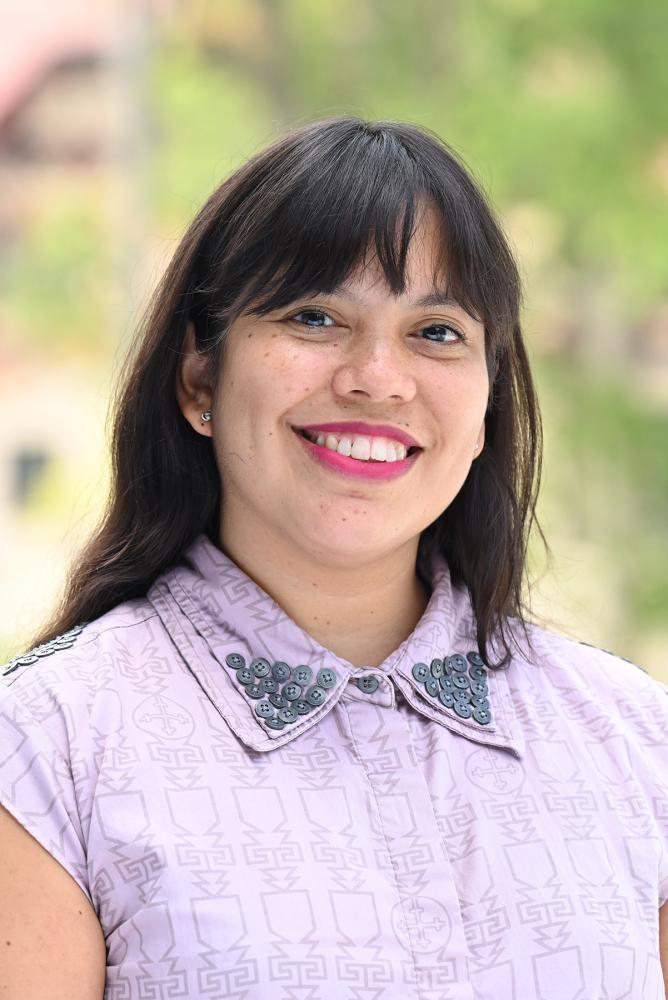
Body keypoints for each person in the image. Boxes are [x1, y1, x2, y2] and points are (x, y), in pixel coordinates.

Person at [1, 116, 666, 1000]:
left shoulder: (632, 741)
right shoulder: (47, 753)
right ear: (201, 379)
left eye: (437, 333)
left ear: (488, 403)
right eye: (315, 317)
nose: (378, 379)